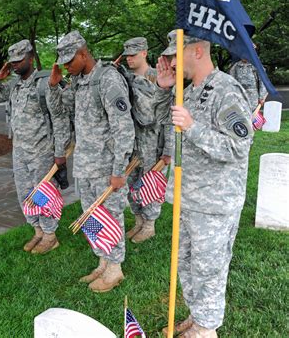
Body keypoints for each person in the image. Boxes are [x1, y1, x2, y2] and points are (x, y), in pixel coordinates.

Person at [156, 30, 253, 337]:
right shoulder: (190, 90)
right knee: (186, 264)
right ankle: (197, 316)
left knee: (209, 270)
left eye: (176, 54)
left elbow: (239, 146)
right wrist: (163, 89)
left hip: (214, 203)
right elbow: (155, 118)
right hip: (189, 198)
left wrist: (193, 128)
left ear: (197, 51)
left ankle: (206, 329)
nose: (171, 62)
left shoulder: (227, 90)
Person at [48, 31, 135, 292]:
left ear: (83, 54)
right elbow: (61, 108)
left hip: (106, 168)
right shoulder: (79, 82)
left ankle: (115, 267)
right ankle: (103, 260)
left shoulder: (108, 80)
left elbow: (124, 128)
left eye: (69, 61)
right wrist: (54, 86)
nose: (66, 66)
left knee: (111, 215)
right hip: (85, 165)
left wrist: (119, 170)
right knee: (91, 217)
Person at [0, 40, 70, 254]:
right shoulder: (15, 85)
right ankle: (38, 230)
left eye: (19, 60)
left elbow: (59, 118)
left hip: (42, 152)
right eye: (12, 61)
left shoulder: (44, 83)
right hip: (20, 151)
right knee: (25, 193)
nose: (14, 65)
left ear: (31, 58)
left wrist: (60, 153)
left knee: (43, 194)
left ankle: (50, 235)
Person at [118, 37, 172, 243]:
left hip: (153, 142)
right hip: (133, 141)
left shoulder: (159, 77)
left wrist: (168, 149)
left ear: (144, 53)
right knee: (133, 183)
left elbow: (168, 116)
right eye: (127, 55)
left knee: (149, 183)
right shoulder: (124, 79)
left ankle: (150, 224)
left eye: (133, 54)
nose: (129, 59)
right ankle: (138, 220)